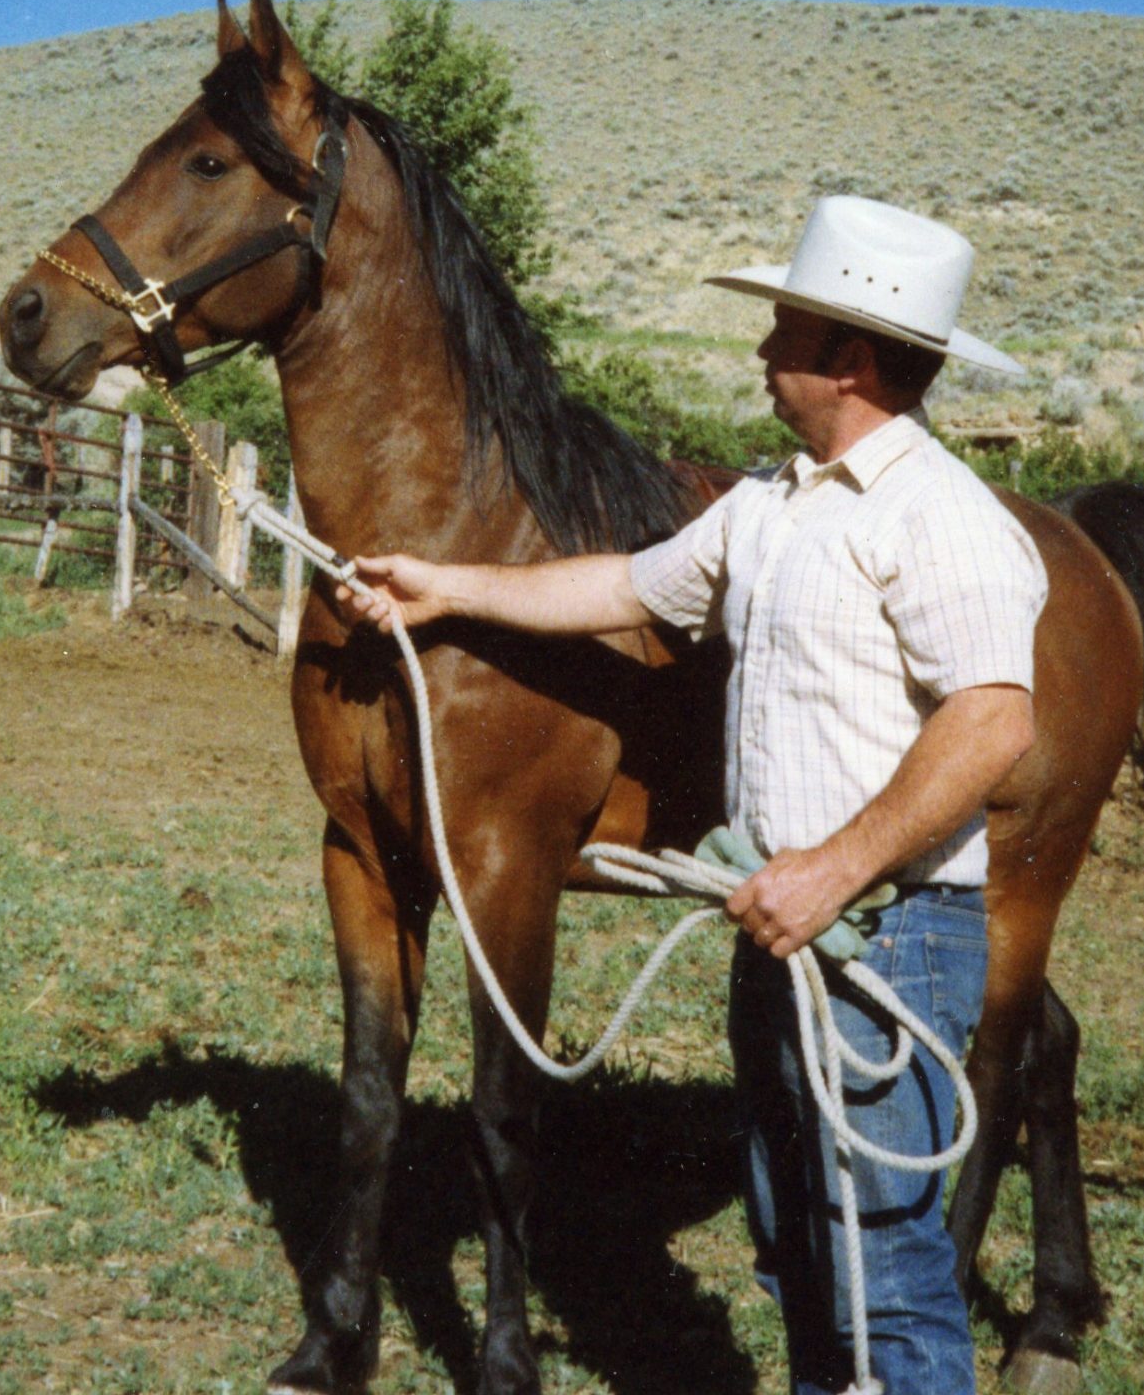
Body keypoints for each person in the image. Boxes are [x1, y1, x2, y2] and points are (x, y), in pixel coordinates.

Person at [339, 195, 1048, 1395]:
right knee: (795, 1246)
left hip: (887, 933)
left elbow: (995, 722)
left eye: (784, 334)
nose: (762, 354)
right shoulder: (769, 509)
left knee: (886, 1270)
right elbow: (623, 586)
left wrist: (834, 868)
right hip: (779, 923)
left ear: (851, 362)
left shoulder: (943, 520)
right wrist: (442, 589)